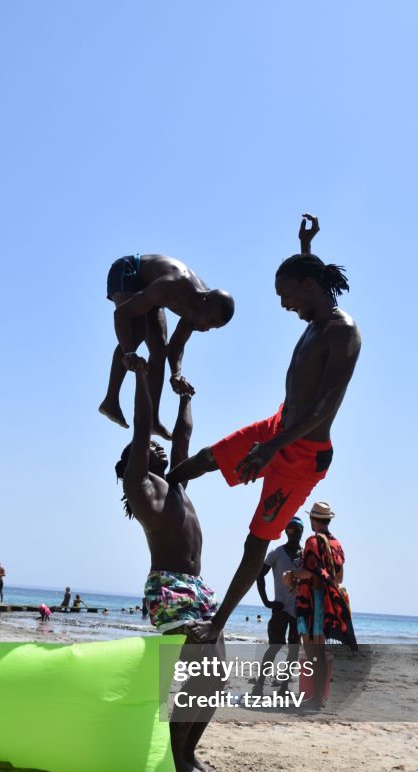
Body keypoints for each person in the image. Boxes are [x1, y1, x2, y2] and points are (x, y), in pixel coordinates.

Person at [167, 214, 361, 644]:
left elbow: (326, 405)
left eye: (286, 294)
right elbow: (314, 283)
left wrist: (272, 449)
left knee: (256, 541)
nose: (283, 304)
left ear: (307, 288)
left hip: (301, 455)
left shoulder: (342, 333)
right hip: (277, 427)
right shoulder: (316, 315)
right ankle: (161, 520)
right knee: (204, 460)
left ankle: (215, 625)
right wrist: (306, 247)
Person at [116, 354, 224, 772]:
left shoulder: (176, 481)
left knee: (215, 676)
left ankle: (186, 753)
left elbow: (183, 437)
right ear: (133, 463)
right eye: (146, 450)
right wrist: (142, 377)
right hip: (169, 588)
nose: (157, 448)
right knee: (201, 670)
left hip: (198, 589)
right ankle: (175, 756)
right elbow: (144, 429)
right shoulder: (141, 485)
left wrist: (184, 400)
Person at [99, 254, 235, 438]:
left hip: (150, 288)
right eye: (209, 321)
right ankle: (110, 401)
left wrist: (176, 374)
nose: (206, 328)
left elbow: (176, 345)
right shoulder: (173, 286)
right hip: (129, 271)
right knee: (137, 331)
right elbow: (121, 315)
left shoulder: (198, 311)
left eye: (213, 327)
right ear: (204, 302)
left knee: (159, 348)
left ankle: (153, 420)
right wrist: (129, 352)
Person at [284, 501, 358, 708]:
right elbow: (339, 578)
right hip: (327, 602)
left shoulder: (313, 542)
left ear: (312, 520)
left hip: (311, 600)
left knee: (312, 651)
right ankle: (319, 696)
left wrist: (292, 575)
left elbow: (309, 572)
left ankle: (316, 698)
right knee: (319, 650)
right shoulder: (337, 545)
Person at [251, 517, 304, 697]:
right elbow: (259, 575)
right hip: (280, 609)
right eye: (291, 529)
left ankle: (283, 688)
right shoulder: (276, 553)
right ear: (285, 531)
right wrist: (266, 601)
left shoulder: (305, 556)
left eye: (298, 529)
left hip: (299, 612)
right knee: (274, 647)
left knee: (294, 651)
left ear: (302, 532)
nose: (295, 532)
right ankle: (259, 685)